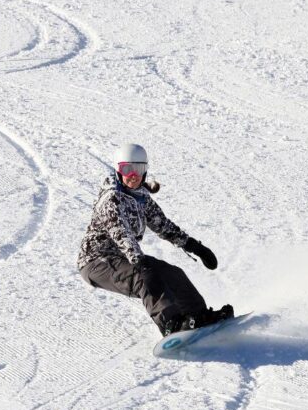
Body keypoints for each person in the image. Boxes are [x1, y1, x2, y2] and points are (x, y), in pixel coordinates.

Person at [77, 143, 233, 336]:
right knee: (143, 276)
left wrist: (196, 247)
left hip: (122, 258)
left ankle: (198, 316)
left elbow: (163, 225)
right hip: (95, 262)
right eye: (127, 169)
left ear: (145, 171)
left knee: (171, 273)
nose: (132, 175)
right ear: (118, 170)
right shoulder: (111, 201)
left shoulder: (141, 197)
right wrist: (140, 262)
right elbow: (122, 234)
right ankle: (171, 325)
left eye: (138, 169)